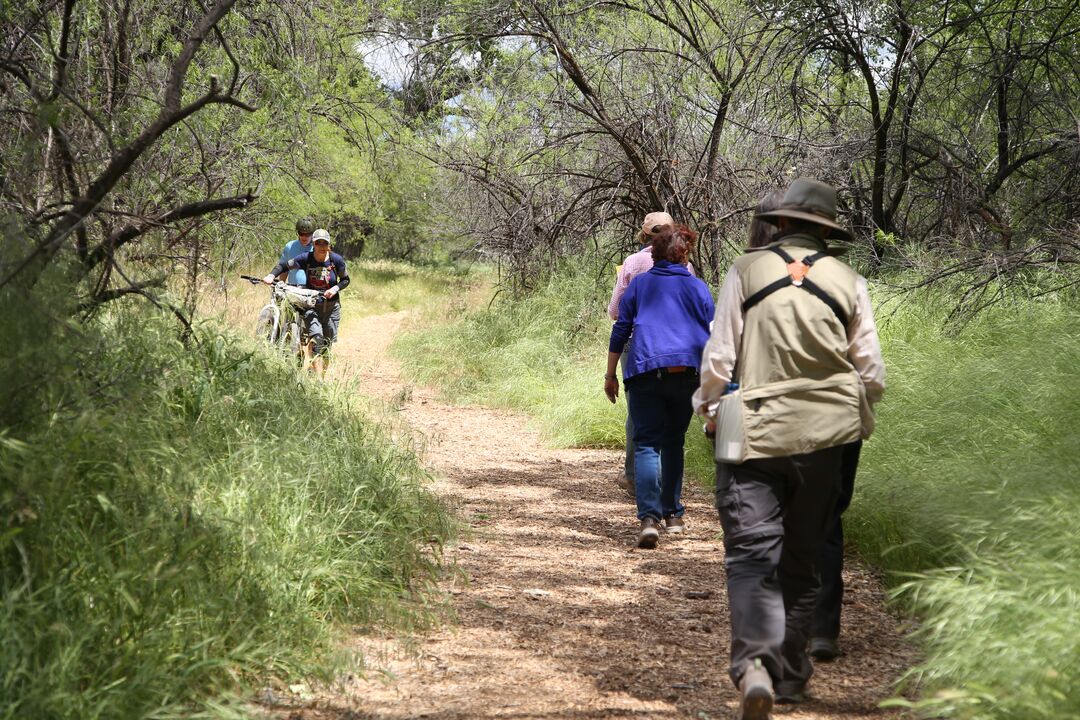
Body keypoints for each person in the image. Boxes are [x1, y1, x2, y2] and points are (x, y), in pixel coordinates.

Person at [693, 178, 884, 719]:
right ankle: (793, 676)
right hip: (826, 436)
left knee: (752, 557)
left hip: (750, 428)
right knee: (802, 559)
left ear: (778, 222)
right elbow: (870, 371)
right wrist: (856, 421)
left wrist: (708, 410)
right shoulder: (849, 280)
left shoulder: (746, 270)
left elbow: (720, 359)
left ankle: (755, 665)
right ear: (826, 230)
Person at [605, 223, 714, 549]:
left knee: (647, 444)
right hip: (686, 374)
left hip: (644, 372)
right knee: (673, 442)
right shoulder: (698, 288)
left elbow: (620, 330)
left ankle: (649, 519)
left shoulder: (639, 284)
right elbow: (712, 333)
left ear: (652, 251)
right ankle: (674, 516)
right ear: (685, 253)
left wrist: (610, 375)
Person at [607, 211, 697, 499]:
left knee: (639, 414)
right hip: (678, 352)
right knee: (673, 430)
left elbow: (615, 313)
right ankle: (670, 502)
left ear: (645, 236)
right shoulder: (687, 269)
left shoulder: (633, 264)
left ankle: (635, 478)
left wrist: (609, 374)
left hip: (637, 347)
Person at [263, 228, 349, 376]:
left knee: (326, 346)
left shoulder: (336, 260)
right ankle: (318, 380)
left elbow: (346, 280)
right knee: (316, 339)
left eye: (324, 243)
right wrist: (271, 275)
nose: (321, 246)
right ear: (313, 244)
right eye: (318, 243)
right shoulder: (306, 258)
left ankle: (321, 374)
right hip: (312, 306)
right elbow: (284, 265)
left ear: (329, 244)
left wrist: (335, 288)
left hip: (331, 307)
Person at [278, 217, 316, 286]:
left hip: (312, 291)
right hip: (293, 289)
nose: (304, 237)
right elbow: (284, 269)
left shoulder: (318, 248)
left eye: (307, 234)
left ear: (313, 234)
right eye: (301, 233)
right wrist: (281, 285)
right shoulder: (289, 246)